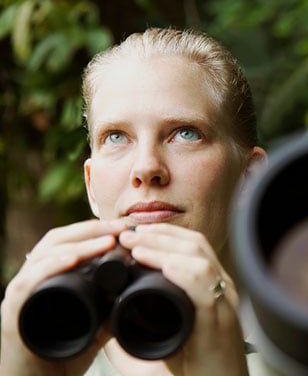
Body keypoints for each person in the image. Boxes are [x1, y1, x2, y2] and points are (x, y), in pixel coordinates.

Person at [0, 27, 267, 376]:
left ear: (250, 177)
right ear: (92, 185)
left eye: (185, 133)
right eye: (115, 137)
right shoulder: (41, 348)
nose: (146, 168)